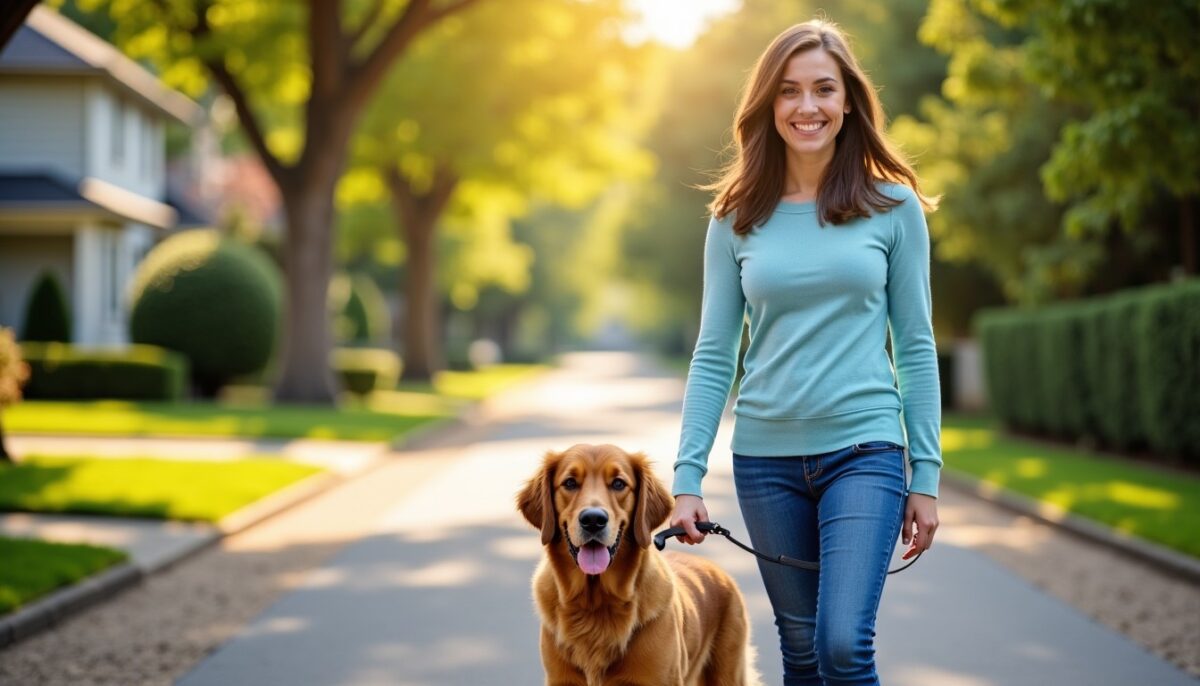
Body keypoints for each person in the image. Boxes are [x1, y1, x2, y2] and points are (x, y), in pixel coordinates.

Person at [668, 18, 942, 686]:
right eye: (789, 91)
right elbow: (713, 353)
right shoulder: (735, 216)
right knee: (799, 651)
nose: (807, 106)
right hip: (766, 462)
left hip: (866, 452)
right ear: (769, 104)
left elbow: (914, 345)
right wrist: (686, 477)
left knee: (843, 642)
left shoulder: (893, 207)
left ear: (848, 100)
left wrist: (926, 476)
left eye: (824, 88)